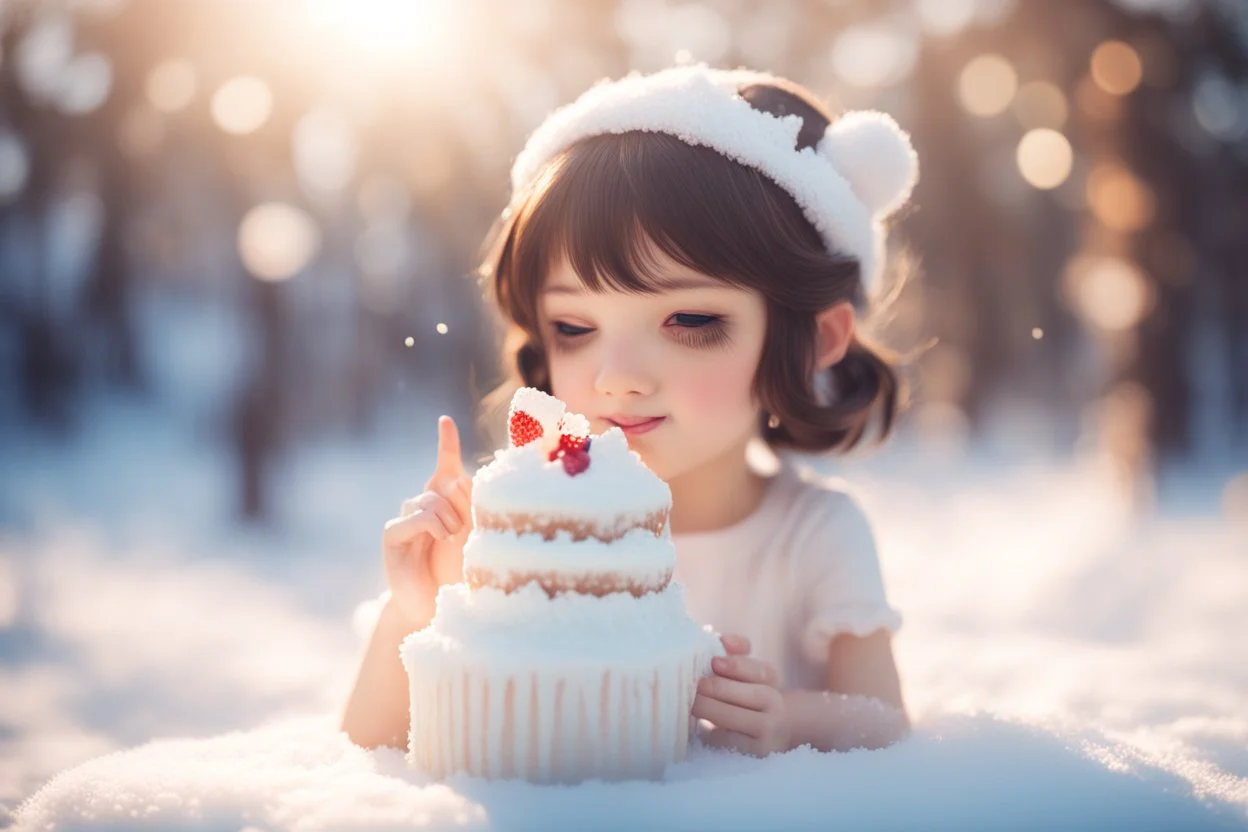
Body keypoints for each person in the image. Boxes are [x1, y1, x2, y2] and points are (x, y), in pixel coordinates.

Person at [342, 64, 915, 757]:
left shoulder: (815, 535)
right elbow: (370, 751)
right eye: (575, 329)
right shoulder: (527, 532)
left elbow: (883, 724)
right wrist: (418, 612)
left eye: (691, 319)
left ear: (813, 341)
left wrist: (789, 720)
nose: (615, 379)